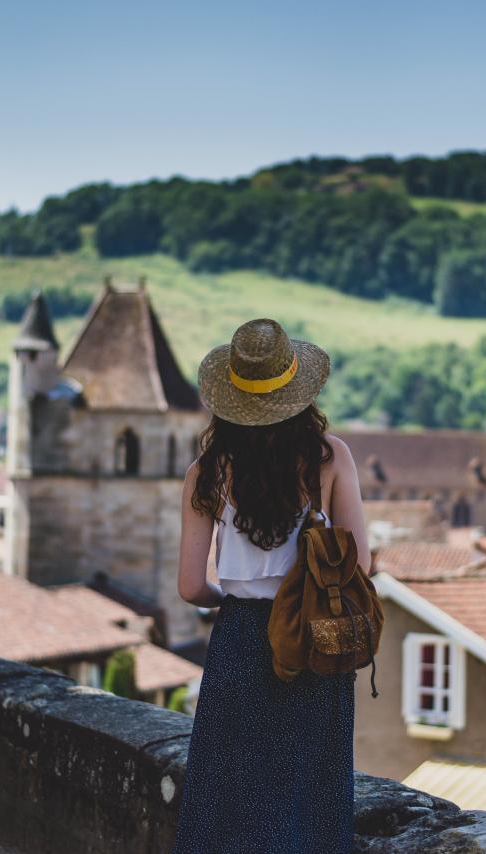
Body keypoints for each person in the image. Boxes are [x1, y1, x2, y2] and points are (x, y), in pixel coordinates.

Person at [171, 317, 373, 854]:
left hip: (237, 640)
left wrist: (233, 605)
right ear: (298, 392)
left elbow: (191, 585)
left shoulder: (205, 472)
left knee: (226, 803)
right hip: (311, 637)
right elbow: (361, 564)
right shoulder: (331, 458)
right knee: (309, 798)